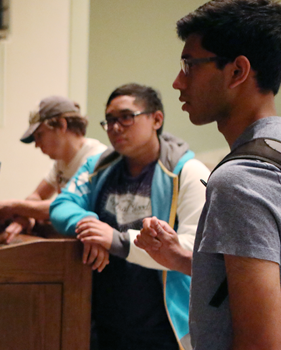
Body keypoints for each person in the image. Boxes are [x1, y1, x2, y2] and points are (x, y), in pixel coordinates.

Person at [136, 1, 281, 349]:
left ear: (238, 71)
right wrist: (181, 259)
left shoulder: (239, 182)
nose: (178, 81)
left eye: (190, 65)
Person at [50, 83, 209, 350]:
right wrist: (89, 225)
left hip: (166, 329)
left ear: (156, 119)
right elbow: (62, 205)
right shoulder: (99, 165)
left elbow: (195, 252)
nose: (115, 127)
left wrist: (116, 239)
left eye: (126, 117)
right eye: (109, 120)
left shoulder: (188, 173)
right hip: (103, 323)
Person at [0, 95, 107, 243]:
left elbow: (65, 206)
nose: (37, 144)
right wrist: (24, 218)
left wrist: (15, 206)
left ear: (61, 125)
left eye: (40, 135)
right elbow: (36, 196)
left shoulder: (95, 158)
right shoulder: (61, 160)